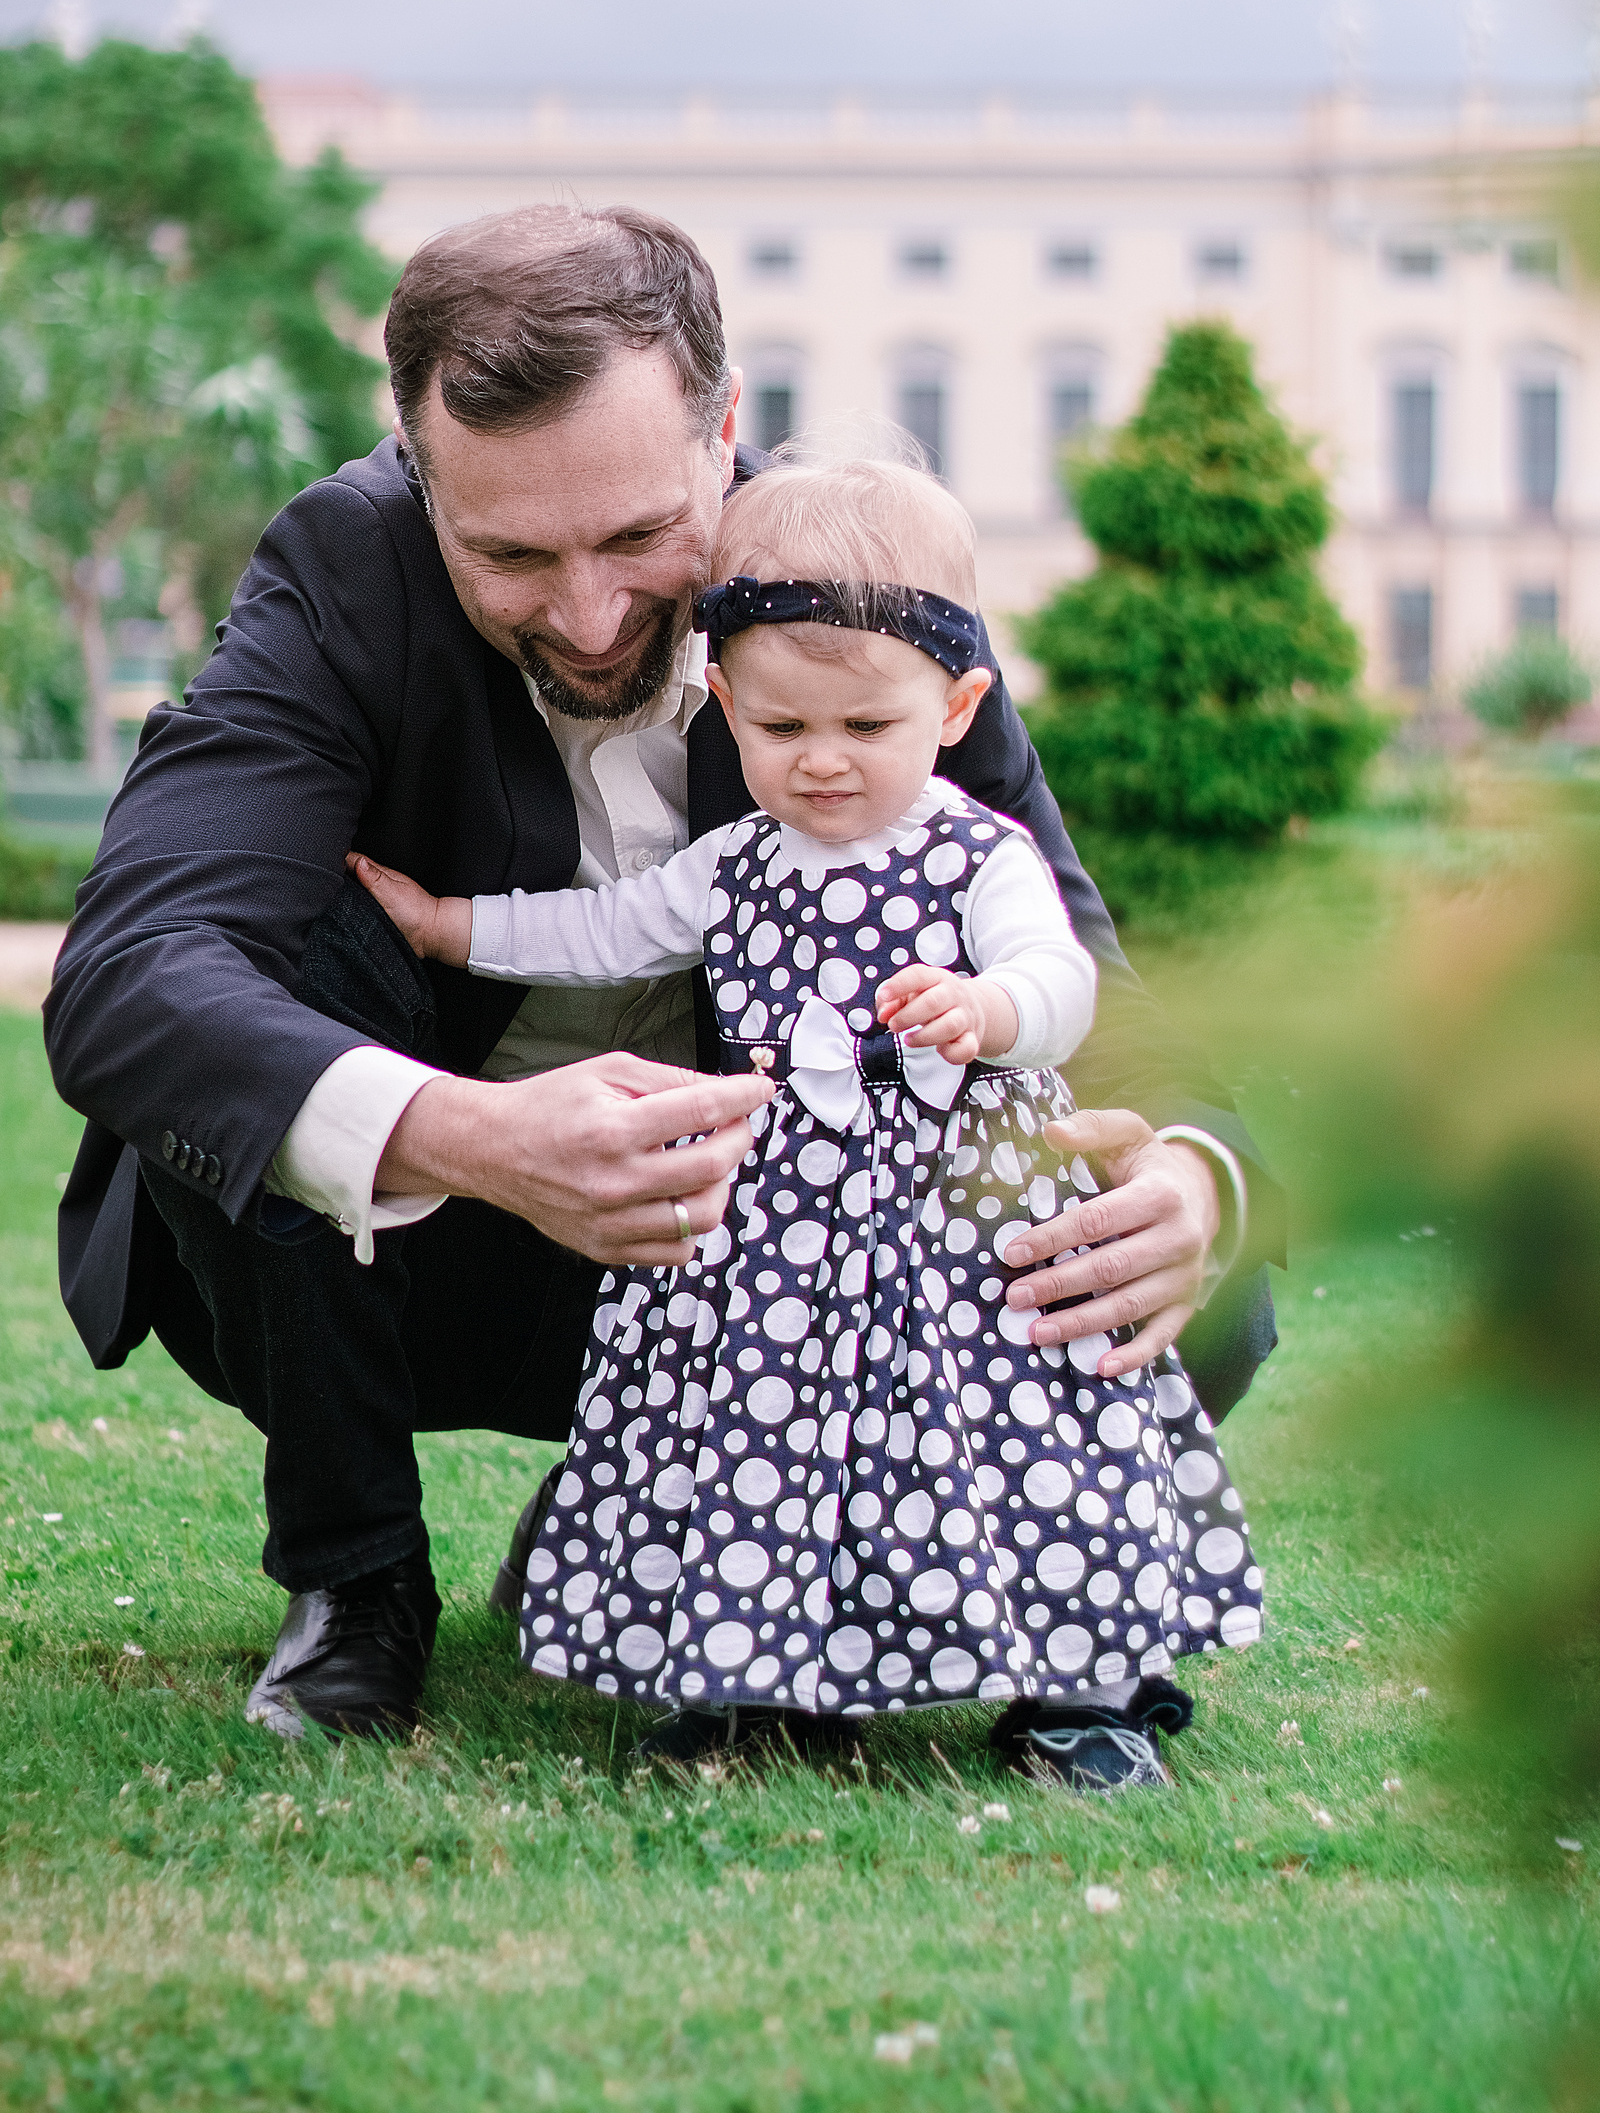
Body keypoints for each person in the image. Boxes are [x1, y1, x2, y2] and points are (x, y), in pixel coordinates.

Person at [43, 203, 1281, 1746]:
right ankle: (356, 1584)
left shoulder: (859, 579)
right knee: (279, 949)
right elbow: (133, 969)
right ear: (424, 484)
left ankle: (698, 1533)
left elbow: (1085, 974)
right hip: (409, 1264)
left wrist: (1195, 1176)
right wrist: (463, 1134)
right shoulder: (342, 572)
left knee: (1195, 1289)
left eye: (638, 538)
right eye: (508, 553)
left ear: (723, 433)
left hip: (787, 1266)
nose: (589, 612)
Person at [353, 458, 1262, 1790]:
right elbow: (603, 927)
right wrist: (450, 927)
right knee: (764, 1435)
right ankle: (765, 1678)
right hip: (775, 1220)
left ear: (954, 709)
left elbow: (1064, 980)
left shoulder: (978, 854)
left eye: (864, 728)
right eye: (782, 732)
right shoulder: (740, 866)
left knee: (1023, 1434)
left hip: (970, 1217)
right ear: (727, 703)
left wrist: (992, 1009)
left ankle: (1083, 1685)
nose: (823, 762)